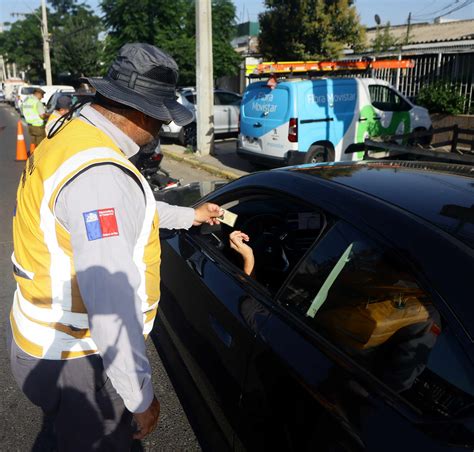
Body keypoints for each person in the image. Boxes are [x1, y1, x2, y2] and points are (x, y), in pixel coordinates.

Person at [9, 43, 223, 451]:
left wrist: (188, 216)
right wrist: (140, 397)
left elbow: (121, 210)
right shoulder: (102, 176)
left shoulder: (70, 132)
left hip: (37, 338)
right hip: (76, 356)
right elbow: (109, 306)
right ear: (140, 113)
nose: (162, 129)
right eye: (161, 119)